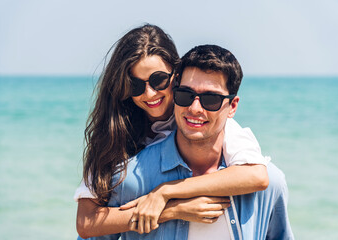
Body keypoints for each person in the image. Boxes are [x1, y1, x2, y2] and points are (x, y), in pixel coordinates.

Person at [75, 25, 271, 238]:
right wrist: (172, 210)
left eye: (158, 80)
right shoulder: (114, 132)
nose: (149, 94)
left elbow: (256, 175)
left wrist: (167, 191)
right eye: (136, 85)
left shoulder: (202, 120)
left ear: (176, 76)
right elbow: (86, 223)